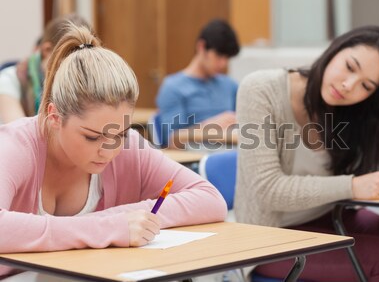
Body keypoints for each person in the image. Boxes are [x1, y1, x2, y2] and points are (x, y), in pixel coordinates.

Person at [0, 22, 227, 279]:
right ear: (54, 117)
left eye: (119, 134)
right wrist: (105, 227)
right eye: (92, 137)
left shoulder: (130, 147)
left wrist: (127, 217)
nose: (108, 151)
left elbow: (210, 200)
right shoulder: (14, 146)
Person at [235, 26, 379, 281]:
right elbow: (267, 189)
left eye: (366, 86)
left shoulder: (350, 108)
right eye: (349, 66)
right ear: (335, 50)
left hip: (330, 215)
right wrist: (352, 186)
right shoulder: (261, 90)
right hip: (265, 236)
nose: (349, 86)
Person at [156, 19, 240, 148]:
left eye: (227, 58)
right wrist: (210, 127)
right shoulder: (173, 87)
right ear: (201, 47)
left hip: (231, 151)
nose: (223, 64)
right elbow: (173, 141)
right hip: (196, 158)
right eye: (218, 56)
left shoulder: (229, 85)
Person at [0, 13, 89, 124]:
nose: (75, 72)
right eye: (67, 61)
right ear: (47, 50)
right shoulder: (8, 80)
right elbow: (17, 132)